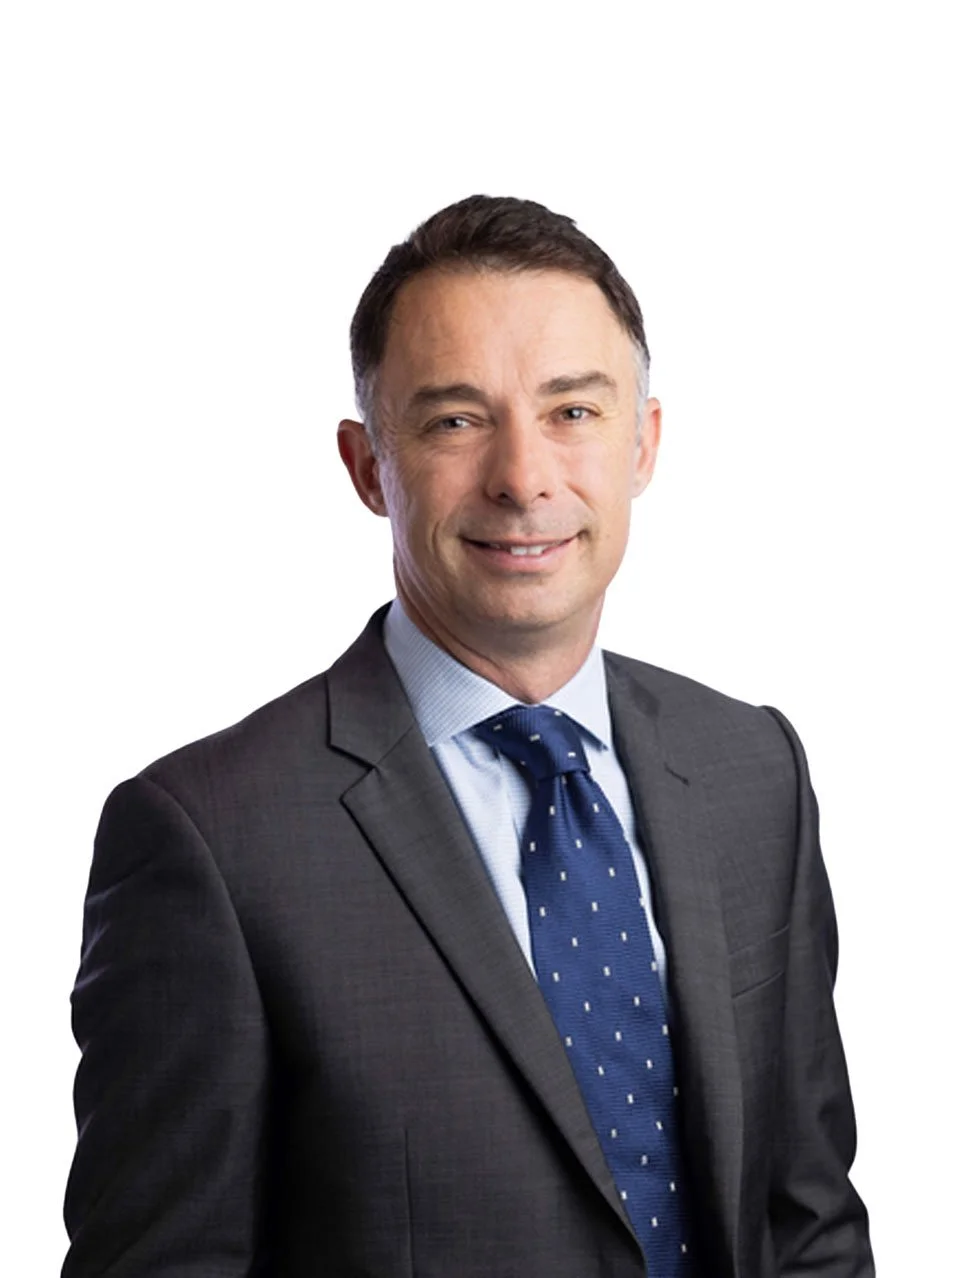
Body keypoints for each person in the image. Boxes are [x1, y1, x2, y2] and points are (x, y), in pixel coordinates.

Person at [62, 195, 874, 1278]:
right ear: (367, 465)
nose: (524, 477)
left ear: (644, 442)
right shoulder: (211, 840)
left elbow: (809, 1227)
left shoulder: (753, 771)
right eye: (455, 421)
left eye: (573, 411)